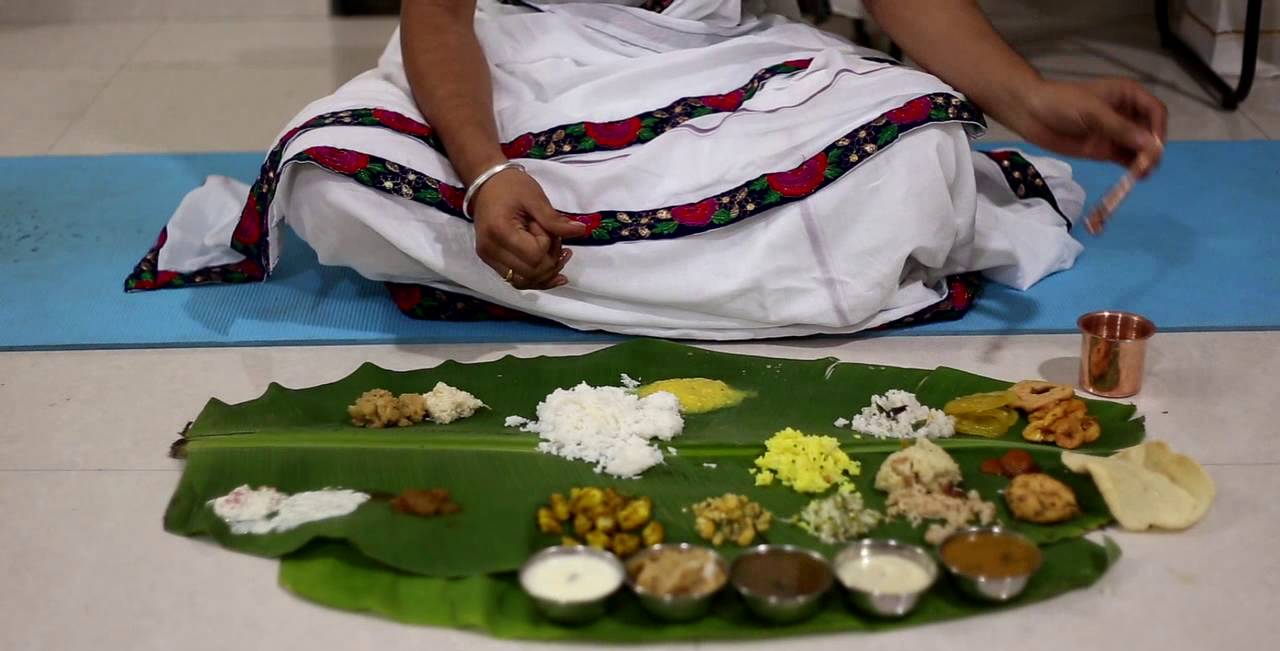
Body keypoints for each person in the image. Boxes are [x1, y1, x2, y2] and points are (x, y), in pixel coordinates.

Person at [127, 0, 1166, 339]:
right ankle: (743, 282)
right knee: (331, 174)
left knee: (922, 154)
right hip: (524, 62)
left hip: (724, 62)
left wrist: (1032, 102)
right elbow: (437, 15)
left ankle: (568, 278)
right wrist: (484, 173)